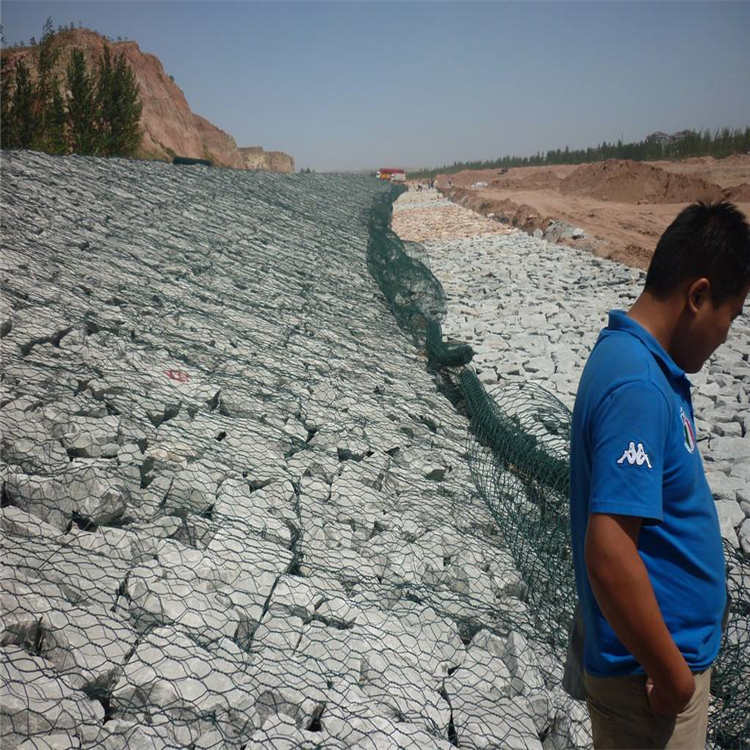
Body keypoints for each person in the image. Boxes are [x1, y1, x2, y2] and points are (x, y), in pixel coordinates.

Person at [569, 201, 750, 749]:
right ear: (697, 296)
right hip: (647, 689)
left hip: (649, 674)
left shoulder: (633, 359)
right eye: (731, 316)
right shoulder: (639, 387)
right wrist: (673, 679)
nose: (726, 337)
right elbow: (609, 553)